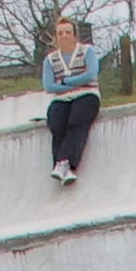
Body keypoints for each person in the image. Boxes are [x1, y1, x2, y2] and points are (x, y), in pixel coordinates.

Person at [40, 15, 100, 186]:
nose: (64, 36)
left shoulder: (87, 51)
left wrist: (66, 82)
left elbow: (91, 74)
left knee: (77, 120)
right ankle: (61, 167)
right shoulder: (50, 60)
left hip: (87, 94)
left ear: (74, 35)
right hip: (62, 98)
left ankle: (65, 163)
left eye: (67, 32)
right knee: (57, 122)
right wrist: (73, 86)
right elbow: (49, 86)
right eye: (60, 33)